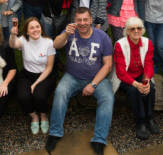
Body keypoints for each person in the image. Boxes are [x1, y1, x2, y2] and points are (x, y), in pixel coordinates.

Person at [46, 8, 115, 155]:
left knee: (108, 98)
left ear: (90, 20)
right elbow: (55, 45)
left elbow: (108, 65)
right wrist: (65, 34)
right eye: (79, 20)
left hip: (97, 78)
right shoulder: (70, 32)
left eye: (85, 20)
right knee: (60, 92)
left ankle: (99, 139)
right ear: (74, 21)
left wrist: (93, 84)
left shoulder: (102, 37)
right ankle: (55, 132)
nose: (82, 23)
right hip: (72, 76)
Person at [111, 17, 159, 140]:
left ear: (142, 30)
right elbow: (121, 72)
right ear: (127, 31)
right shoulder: (120, 45)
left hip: (141, 75)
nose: (136, 31)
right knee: (134, 91)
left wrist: (147, 79)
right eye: (132, 29)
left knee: (151, 88)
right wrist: (136, 84)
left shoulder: (147, 42)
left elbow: (149, 64)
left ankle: (150, 117)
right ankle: (141, 122)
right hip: (125, 77)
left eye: (139, 28)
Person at [9, 17, 57, 136]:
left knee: (39, 95)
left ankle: (43, 115)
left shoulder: (49, 42)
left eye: (37, 27)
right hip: (27, 74)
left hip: (45, 75)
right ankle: (34, 117)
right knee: (23, 96)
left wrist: (36, 83)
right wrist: (12, 35)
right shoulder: (24, 40)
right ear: (27, 31)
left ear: (41, 28)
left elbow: (49, 67)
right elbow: (13, 45)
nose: (35, 30)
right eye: (31, 28)